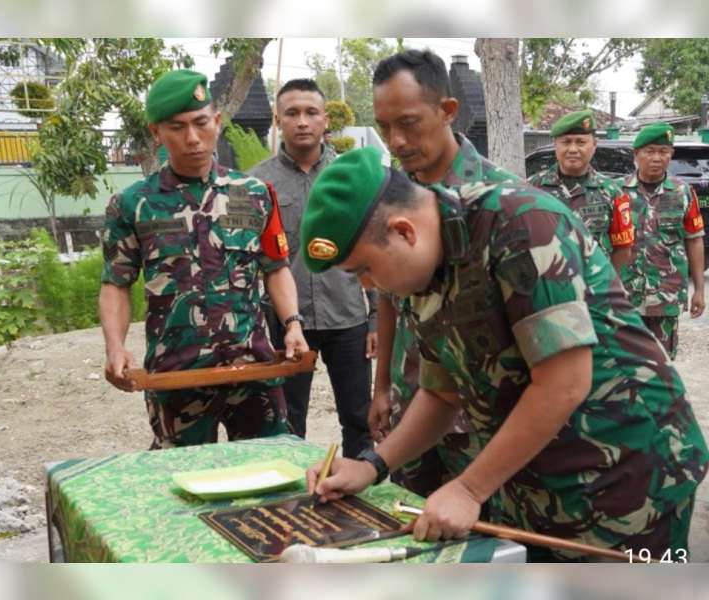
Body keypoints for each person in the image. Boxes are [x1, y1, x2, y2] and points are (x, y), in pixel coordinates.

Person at [302, 146, 708, 561]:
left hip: (628, 479)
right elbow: (442, 393)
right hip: (535, 484)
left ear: (405, 231)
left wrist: (467, 487)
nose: (369, 286)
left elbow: (564, 382)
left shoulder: (521, 225)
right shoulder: (421, 269)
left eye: (363, 270)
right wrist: (371, 465)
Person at [99, 69, 309, 449]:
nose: (192, 139)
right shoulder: (132, 204)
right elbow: (116, 282)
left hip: (253, 369)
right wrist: (115, 347)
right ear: (156, 133)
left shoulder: (255, 194)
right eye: (177, 127)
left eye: (200, 123)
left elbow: (276, 268)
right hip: (177, 373)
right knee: (182, 484)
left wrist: (292, 324)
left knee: (269, 471)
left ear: (216, 121)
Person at [369, 49, 517, 499]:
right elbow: (389, 299)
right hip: (415, 402)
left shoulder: (501, 206)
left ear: (447, 111)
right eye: (384, 128)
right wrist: (382, 387)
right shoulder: (393, 198)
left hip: (477, 417)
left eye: (408, 123)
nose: (395, 141)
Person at [251, 78, 377, 458]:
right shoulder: (256, 182)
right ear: (278, 120)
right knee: (286, 421)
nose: (302, 121)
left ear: (325, 119)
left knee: (359, 418)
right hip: (285, 322)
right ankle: (290, 499)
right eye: (292, 113)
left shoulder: (351, 177)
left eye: (311, 113)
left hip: (348, 318)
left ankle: (360, 492)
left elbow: (372, 249)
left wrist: (376, 322)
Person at [618, 122, 705, 359]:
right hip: (624, 294)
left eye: (663, 152)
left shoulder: (683, 192)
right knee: (625, 364)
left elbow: (694, 241)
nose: (657, 157)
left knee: (661, 365)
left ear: (671, 155)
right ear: (636, 154)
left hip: (665, 296)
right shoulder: (617, 192)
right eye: (650, 151)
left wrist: (699, 290)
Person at [528, 109, 634, 273]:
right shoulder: (531, 189)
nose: (573, 149)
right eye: (566, 142)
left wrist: (607, 286)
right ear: (555, 145)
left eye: (580, 142)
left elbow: (623, 249)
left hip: (594, 292)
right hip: (548, 292)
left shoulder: (612, 192)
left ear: (594, 145)